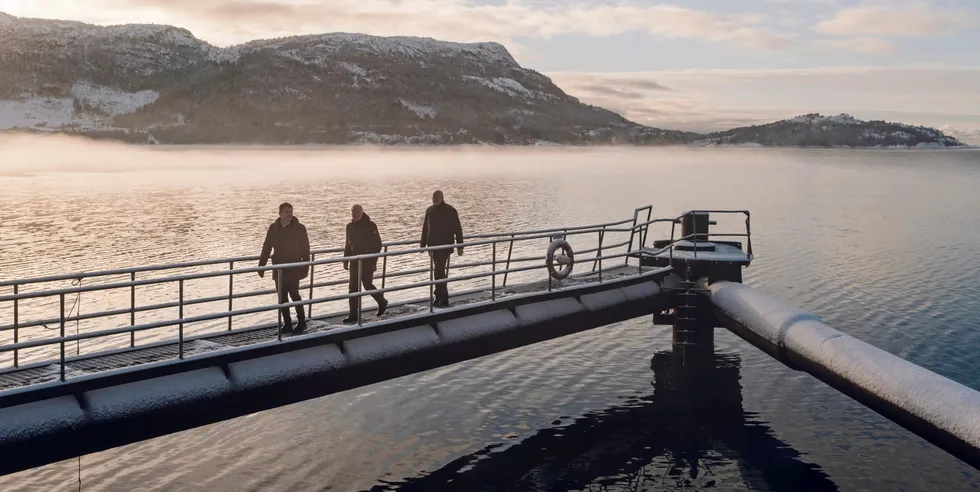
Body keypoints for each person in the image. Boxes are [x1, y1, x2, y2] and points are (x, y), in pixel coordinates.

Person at [258, 202, 310, 333]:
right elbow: (267, 247)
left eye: (291, 212)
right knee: (281, 297)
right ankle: (287, 323)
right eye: (287, 212)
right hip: (278, 266)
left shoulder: (299, 228)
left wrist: (305, 267)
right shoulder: (273, 228)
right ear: (280, 213)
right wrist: (261, 265)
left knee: (294, 294)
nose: (289, 215)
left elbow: (305, 249)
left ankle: (302, 322)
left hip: (293, 266)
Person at [343, 204, 389, 323]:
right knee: (352, 288)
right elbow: (348, 245)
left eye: (357, 213)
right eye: (353, 213)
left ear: (362, 212)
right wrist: (345, 260)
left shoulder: (371, 225)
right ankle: (353, 314)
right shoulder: (349, 226)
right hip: (354, 261)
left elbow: (378, 244)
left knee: (367, 284)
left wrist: (372, 259)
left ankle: (381, 301)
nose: (355, 215)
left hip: (368, 260)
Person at [420, 190, 464, 307]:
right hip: (433, 246)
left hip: (445, 245)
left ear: (442, 198)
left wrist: (460, 245)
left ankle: (441, 298)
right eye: (433, 197)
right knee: (438, 271)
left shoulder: (450, 210)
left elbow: (457, 228)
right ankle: (440, 297)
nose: (434, 199)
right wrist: (423, 244)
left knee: (439, 270)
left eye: (436, 197)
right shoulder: (429, 211)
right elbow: (426, 228)